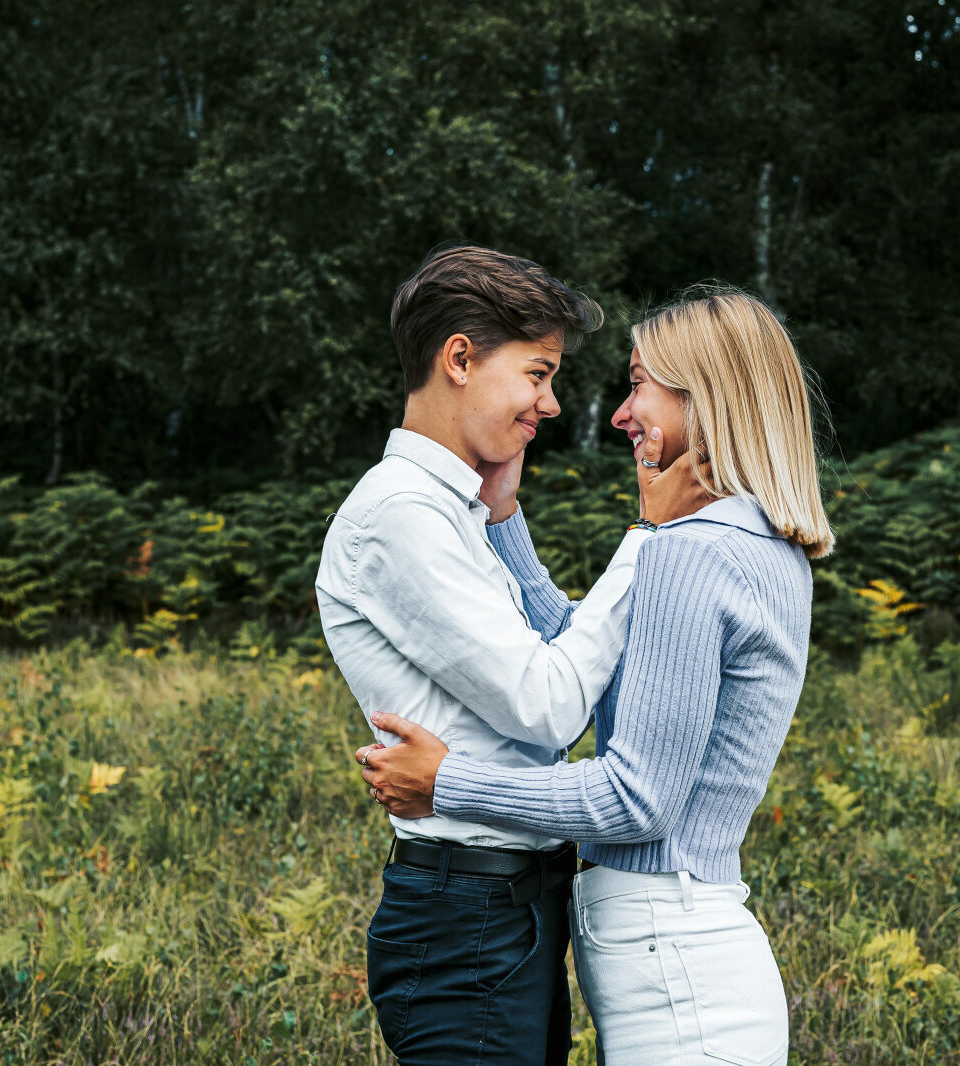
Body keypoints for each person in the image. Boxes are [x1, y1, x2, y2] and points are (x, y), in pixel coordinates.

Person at [357, 289, 835, 1066]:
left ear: (704, 396)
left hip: (673, 965)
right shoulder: (754, 540)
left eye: (640, 383)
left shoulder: (691, 553)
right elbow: (605, 662)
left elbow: (635, 799)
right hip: (687, 953)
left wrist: (448, 783)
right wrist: (506, 523)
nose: (620, 413)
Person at [315, 244, 712, 1066]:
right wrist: (649, 538)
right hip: (466, 911)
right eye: (537, 374)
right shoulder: (401, 515)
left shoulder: (459, 510)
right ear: (458, 358)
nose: (552, 404)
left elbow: (551, 677)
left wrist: (505, 520)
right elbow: (550, 706)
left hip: (510, 899)